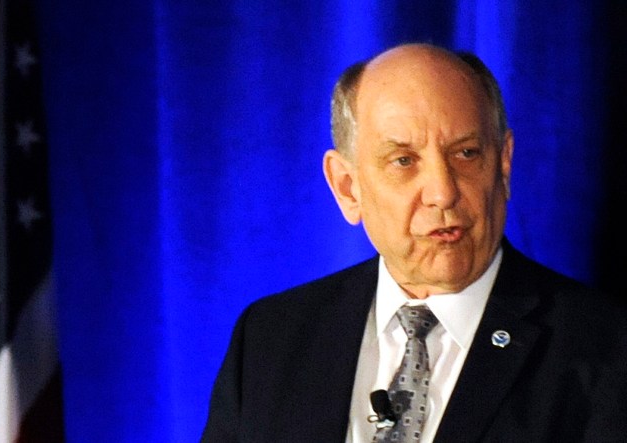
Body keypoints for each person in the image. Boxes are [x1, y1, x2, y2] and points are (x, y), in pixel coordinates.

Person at [201, 42, 627, 442]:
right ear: (348, 188)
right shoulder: (269, 340)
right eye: (404, 161)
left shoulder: (605, 347)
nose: (442, 191)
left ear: (503, 164)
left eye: (466, 154)